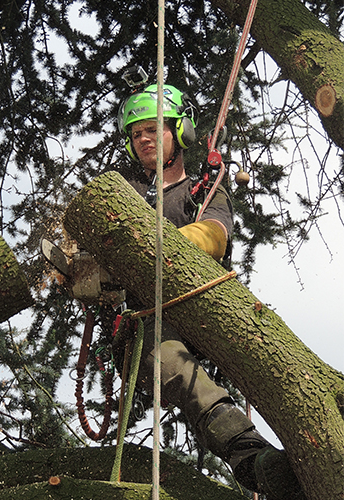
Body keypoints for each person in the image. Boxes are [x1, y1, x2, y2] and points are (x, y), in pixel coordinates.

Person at [116, 83, 305, 500]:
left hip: (205, 306)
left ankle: (317, 437)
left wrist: (157, 245)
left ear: (180, 132)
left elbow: (214, 235)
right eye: (135, 134)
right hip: (151, 325)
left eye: (152, 128)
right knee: (177, 371)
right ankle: (253, 460)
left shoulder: (204, 189)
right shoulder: (123, 198)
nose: (143, 138)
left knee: (279, 362)